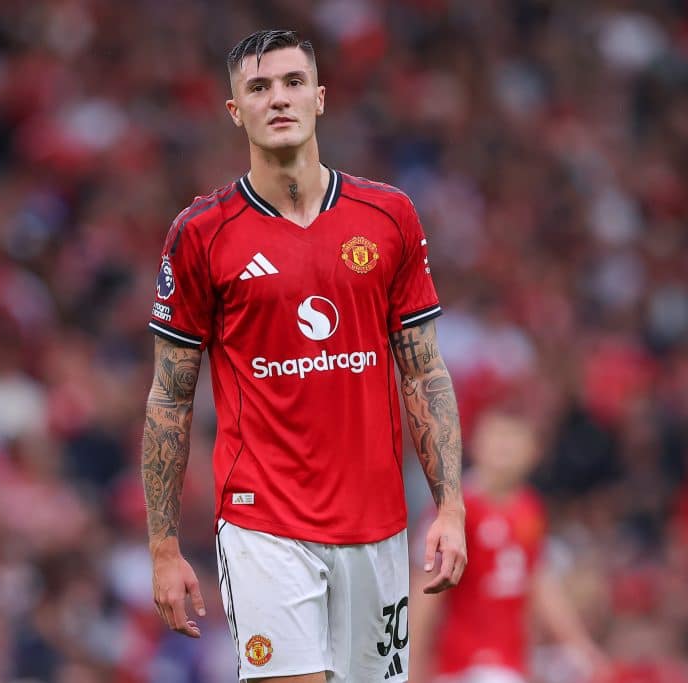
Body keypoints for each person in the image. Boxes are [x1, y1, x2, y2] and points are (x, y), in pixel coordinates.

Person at [140, 29, 467, 683]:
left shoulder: (388, 216)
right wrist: (163, 546)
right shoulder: (202, 234)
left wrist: (450, 506)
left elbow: (423, 369)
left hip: (377, 526)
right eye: (259, 87)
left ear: (319, 97)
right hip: (263, 522)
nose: (278, 98)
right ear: (235, 111)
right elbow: (170, 396)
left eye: (293, 82)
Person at [408, 410, 608, 683]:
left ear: (533, 452)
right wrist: (413, 664)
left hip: (510, 662)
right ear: (476, 445)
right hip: (461, 664)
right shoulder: (455, 510)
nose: (505, 449)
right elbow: (427, 588)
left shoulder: (530, 509)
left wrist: (580, 646)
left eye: (514, 440)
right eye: (497, 439)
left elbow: (537, 580)